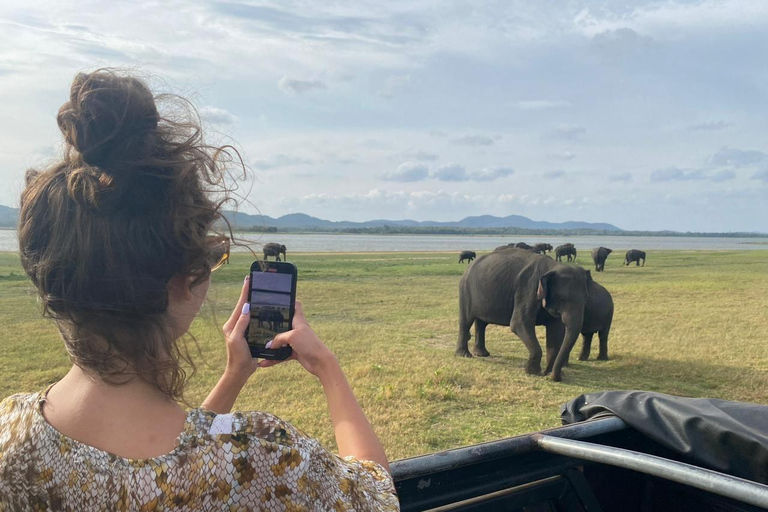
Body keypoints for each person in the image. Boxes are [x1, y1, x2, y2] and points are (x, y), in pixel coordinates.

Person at [0, 70, 398, 511]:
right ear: (183, 279)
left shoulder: (12, 434)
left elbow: (166, 461)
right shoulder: (263, 457)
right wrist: (327, 366)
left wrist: (233, 377)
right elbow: (375, 496)